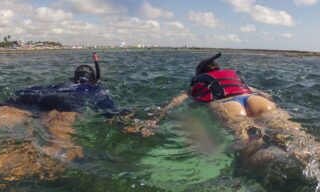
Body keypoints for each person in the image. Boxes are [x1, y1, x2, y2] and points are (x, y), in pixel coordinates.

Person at [0, 53, 127, 191]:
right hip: (63, 105)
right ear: (92, 80)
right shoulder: (94, 89)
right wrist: (130, 126)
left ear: (73, 77)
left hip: (26, 97)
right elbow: (113, 113)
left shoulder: (59, 84)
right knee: (61, 151)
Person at [128, 52, 320, 188]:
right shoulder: (235, 78)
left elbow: (174, 103)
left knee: (249, 144)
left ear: (199, 74)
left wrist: (153, 120)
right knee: (295, 134)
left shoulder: (197, 82)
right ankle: (308, 157)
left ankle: (282, 165)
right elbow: (265, 93)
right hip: (257, 100)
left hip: (227, 106)